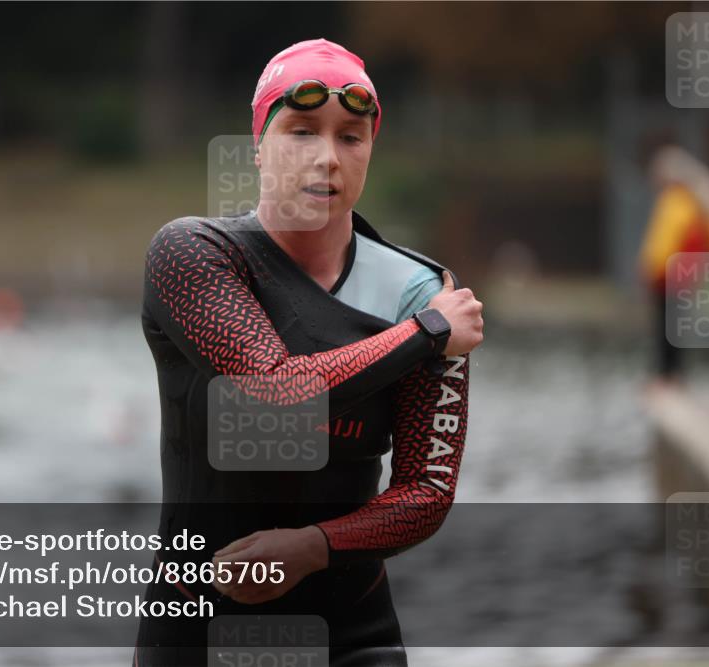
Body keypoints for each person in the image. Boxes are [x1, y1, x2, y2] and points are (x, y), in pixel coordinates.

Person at [134, 38, 484, 666]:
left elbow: (426, 491)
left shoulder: (416, 291)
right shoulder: (193, 255)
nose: (326, 158)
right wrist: (424, 335)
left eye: (351, 136)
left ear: (370, 151)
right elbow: (274, 388)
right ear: (258, 149)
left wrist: (314, 546)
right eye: (300, 131)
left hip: (353, 635)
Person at [639, 144, 709, 380]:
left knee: (670, 327)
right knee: (670, 326)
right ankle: (668, 373)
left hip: (672, 275)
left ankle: (669, 374)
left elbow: (666, 241)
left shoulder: (682, 202)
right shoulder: (681, 201)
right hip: (670, 276)